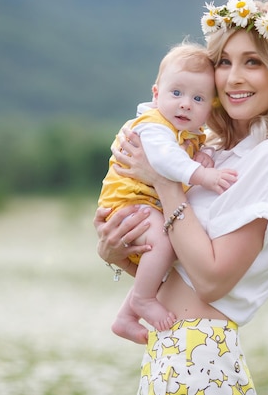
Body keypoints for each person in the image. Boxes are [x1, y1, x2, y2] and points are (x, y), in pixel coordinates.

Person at [94, 0, 268, 394]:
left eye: (252, 61)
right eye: (225, 62)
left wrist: (163, 180)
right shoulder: (210, 153)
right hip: (172, 347)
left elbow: (213, 280)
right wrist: (116, 255)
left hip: (200, 350)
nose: (234, 77)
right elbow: (179, 270)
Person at [98, 42, 238, 343]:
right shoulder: (152, 126)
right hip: (128, 202)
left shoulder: (189, 134)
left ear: (211, 107)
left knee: (167, 246)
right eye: (177, 93)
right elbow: (164, 160)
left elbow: (182, 158)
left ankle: (126, 315)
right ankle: (142, 300)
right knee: (164, 241)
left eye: (198, 98)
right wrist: (203, 174)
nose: (186, 103)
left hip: (147, 204)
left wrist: (202, 157)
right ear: (156, 93)